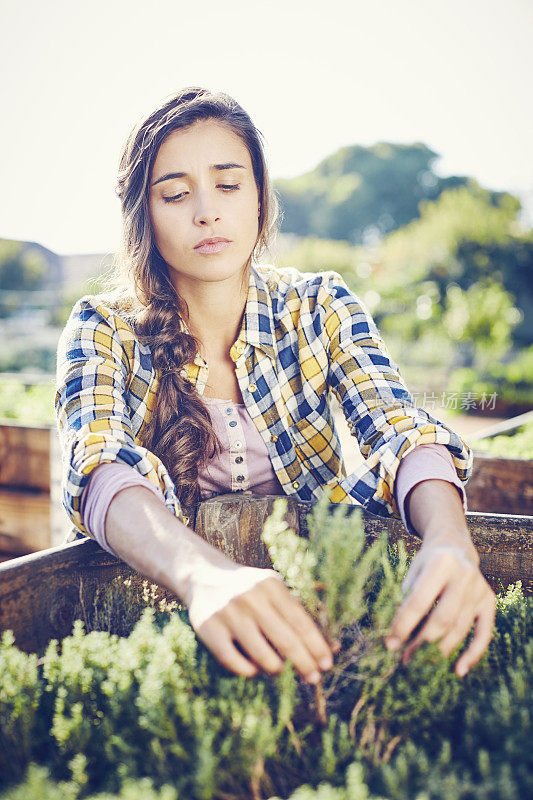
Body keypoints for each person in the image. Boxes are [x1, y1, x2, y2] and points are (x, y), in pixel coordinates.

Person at [55, 87, 495, 686]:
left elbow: (396, 425)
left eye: (229, 185)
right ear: (143, 215)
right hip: (164, 625)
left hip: (321, 616)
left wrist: (449, 540)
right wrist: (203, 576)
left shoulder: (319, 306)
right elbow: (97, 462)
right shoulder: (102, 326)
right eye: (176, 193)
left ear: (261, 198)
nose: (206, 212)